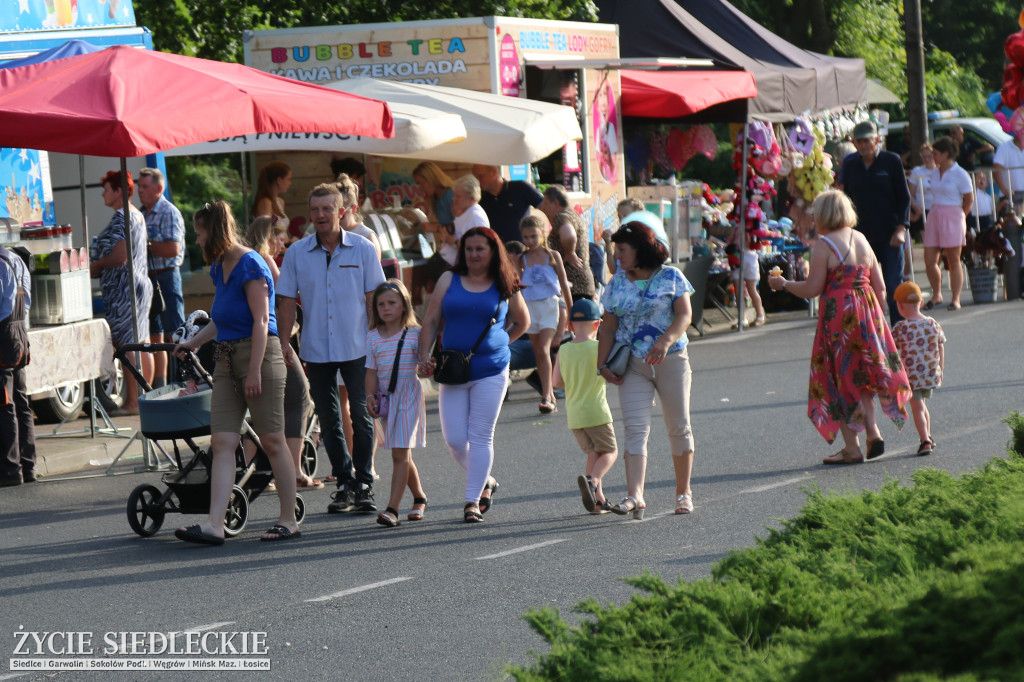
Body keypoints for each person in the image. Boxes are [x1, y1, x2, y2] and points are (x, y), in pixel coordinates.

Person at [172, 201, 298, 544]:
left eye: (199, 233)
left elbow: (260, 321)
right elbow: (221, 320)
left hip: (260, 355)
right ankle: (215, 524)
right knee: (223, 441)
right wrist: (193, 343)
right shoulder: (219, 267)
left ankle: (288, 519)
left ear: (214, 231)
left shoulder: (250, 264)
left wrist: (255, 369)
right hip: (226, 358)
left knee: (272, 440)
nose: (197, 240)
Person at [768, 190, 912, 465]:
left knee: (840, 376)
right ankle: (872, 432)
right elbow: (880, 288)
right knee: (863, 375)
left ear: (824, 215)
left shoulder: (823, 245)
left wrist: (784, 284)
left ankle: (853, 447)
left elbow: (812, 289)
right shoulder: (862, 239)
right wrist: (879, 320)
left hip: (839, 315)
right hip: (868, 312)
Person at [277, 183, 386, 514]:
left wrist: (377, 340)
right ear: (310, 214)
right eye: (315, 210)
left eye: (327, 209)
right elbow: (285, 301)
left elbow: (375, 299)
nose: (321, 215)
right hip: (315, 349)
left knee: (363, 414)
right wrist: (282, 341)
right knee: (329, 419)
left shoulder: (363, 249)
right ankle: (344, 483)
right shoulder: (297, 252)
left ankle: (364, 482)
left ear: (341, 211)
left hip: (357, 345)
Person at [417, 227, 530, 523]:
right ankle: (486, 480)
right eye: (469, 249)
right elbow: (430, 320)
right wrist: (423, 356)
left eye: (480, 249)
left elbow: (522, 322)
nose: (474, 254)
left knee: (480, 436)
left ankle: (472, 501)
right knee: (454, 439)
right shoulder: (448, 279)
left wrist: (502, 341)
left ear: (493, 252)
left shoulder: (504, 282)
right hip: (453, 371)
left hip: (491, 370)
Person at [597, 222, 696, 518]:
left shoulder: (671, 276)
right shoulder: (616, 282)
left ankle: (683, 493)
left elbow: (685, 314)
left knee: (678, 427)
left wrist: (666, 341)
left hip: (671, 360)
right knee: (635, 430)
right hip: (633, 365)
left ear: (641, 249)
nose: (617, 256)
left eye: (622, 250)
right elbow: (609, 327)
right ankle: (635, 495)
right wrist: (601, 365)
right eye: (615, 250)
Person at [244, 216, 320, 490]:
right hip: (274, 341)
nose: (283, 244)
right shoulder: (269, 265)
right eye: (281, 238)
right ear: (269, 237)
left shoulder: (244, 260)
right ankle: (293, 469)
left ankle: (257, 469)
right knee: (300, 397)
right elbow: (284, 303)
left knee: (261, 406)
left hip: (249, 343)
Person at [365, 279, 428, 527]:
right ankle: (420, 498)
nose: (386, 307)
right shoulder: (372, 337)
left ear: (404, 305)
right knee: (402, 453)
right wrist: (369, 397)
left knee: (399, 454)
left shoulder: (414, 333)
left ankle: (392, 509)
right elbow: (370, 372)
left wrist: (427, 365)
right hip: (386, 401)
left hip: (409, 397)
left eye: (392, 302)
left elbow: (424, 364)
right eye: (380, 304)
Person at [89, 170, 153, 413]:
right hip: (137, 286)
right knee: (142, 343)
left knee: (129, 345)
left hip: (124, 291)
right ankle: (146, 396)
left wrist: (96, 265)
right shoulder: (136, 215)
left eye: (107, 189)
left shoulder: (121, 217)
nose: (103, 194)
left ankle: (134, 401)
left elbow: (119, 256)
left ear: (118, 191)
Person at [841, 120, 911, 323]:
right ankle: (870, 332)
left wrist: (901, 228)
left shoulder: (891, 161)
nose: (863, 145)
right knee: (864, 287)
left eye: (867, 141)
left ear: (877, 140)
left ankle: (898, 329)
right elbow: (845, 199)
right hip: (862, 237)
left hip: (890, 234)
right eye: (859, 141)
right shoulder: (850, 164)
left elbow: (904, 198)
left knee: (892, 284)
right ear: (854, 143)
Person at [553, 298, 617, 514]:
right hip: (596, 411)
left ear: (569, 326)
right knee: (610, 451)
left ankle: (598, 501)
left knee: (594, 454)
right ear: (597, 325)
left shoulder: (563, 350)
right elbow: (612, 373)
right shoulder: (599, 348)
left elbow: (556, 383)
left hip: (575, 416)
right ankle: (593, 481)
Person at [518, 215, 573, 414]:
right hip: (530, 307)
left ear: (543, 234)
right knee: (540, 353)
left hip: (550, 306)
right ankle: (548, 393)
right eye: (525, 237)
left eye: (533, 236)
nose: (530, 241)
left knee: (543, 349)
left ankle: (547, 395)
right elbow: (516, 286)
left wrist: (570, 309)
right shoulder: (521, 258)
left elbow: (564, 286)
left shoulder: (553, 255)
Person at [137, 167, 186, 388]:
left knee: (175, 333)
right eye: (139, 186)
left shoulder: (168, 212)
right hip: (147, 280)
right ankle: (162, 387)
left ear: (158, 189)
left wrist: (144, 245)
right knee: (155, 336)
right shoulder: (140, 214)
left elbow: (172, 249)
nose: (140, 191)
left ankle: (184, 380)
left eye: (145, 186)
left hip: (166, 278)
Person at [891, 281, 945, 456]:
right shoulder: (932, 323)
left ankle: (925, 441)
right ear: (921, 303)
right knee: (922, 405)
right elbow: (941, 345)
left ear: (899, 305)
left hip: (912, 376)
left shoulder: (901, 328)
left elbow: (890, 347)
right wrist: (940, 369)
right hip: (930, 374)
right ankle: (928, 435)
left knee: (917, 408)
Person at [922, 136, 973, 312]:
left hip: (953, 214)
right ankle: (937, 294)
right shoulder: (935, 172)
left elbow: (969, 199)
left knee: (953, 259)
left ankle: (956, 298)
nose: (933, 157)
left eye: (935, 154)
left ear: (946, 154)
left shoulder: (961, 174)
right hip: (935, 213)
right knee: (929, 259)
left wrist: (961, 216)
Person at [0, 245, 34, 487]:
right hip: (21, 331)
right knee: (21, 402)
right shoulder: (16, 259)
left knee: (5, 404)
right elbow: (27, 301)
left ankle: (10, 469)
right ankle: (28, 466)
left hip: (4, 334)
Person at [539, 184, 595, 302]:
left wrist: (569, 253)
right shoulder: (572, 215)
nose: (543, 208)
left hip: (573, 284)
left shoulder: (561, 218)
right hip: (583, 283)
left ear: (555, 203)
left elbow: (568, 235)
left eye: (545, 203)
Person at [472, 164, 542, 244]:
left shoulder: (520, 188)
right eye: (475, 177)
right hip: (495, 251)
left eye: (480, 176)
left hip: (521, 251)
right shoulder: (479, 198)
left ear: (494, 172)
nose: (478, 180)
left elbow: (546, 207)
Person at [436, 174, 490, 268]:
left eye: (458, 196)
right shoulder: (466, 213)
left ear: (472, 198)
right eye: (454, 195)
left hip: (461, 269)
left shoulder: (476, 217)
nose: (454, 199)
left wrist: (454, 242)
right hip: (449, 264)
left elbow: (480, 251)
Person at [908, 143, 936, 243]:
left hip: (938, 209)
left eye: (929, 156)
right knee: (929, 242)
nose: (927, 159)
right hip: (923, 210)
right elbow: (910, 193)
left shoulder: (940, 170)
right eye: (924, 157)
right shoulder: (917, 171)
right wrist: (915, 206)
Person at [992, 129, 1024, 214]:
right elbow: (996, 170)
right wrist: (1005, 191)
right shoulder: (1004, 147)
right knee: (1010, 225)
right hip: (1010, 195)